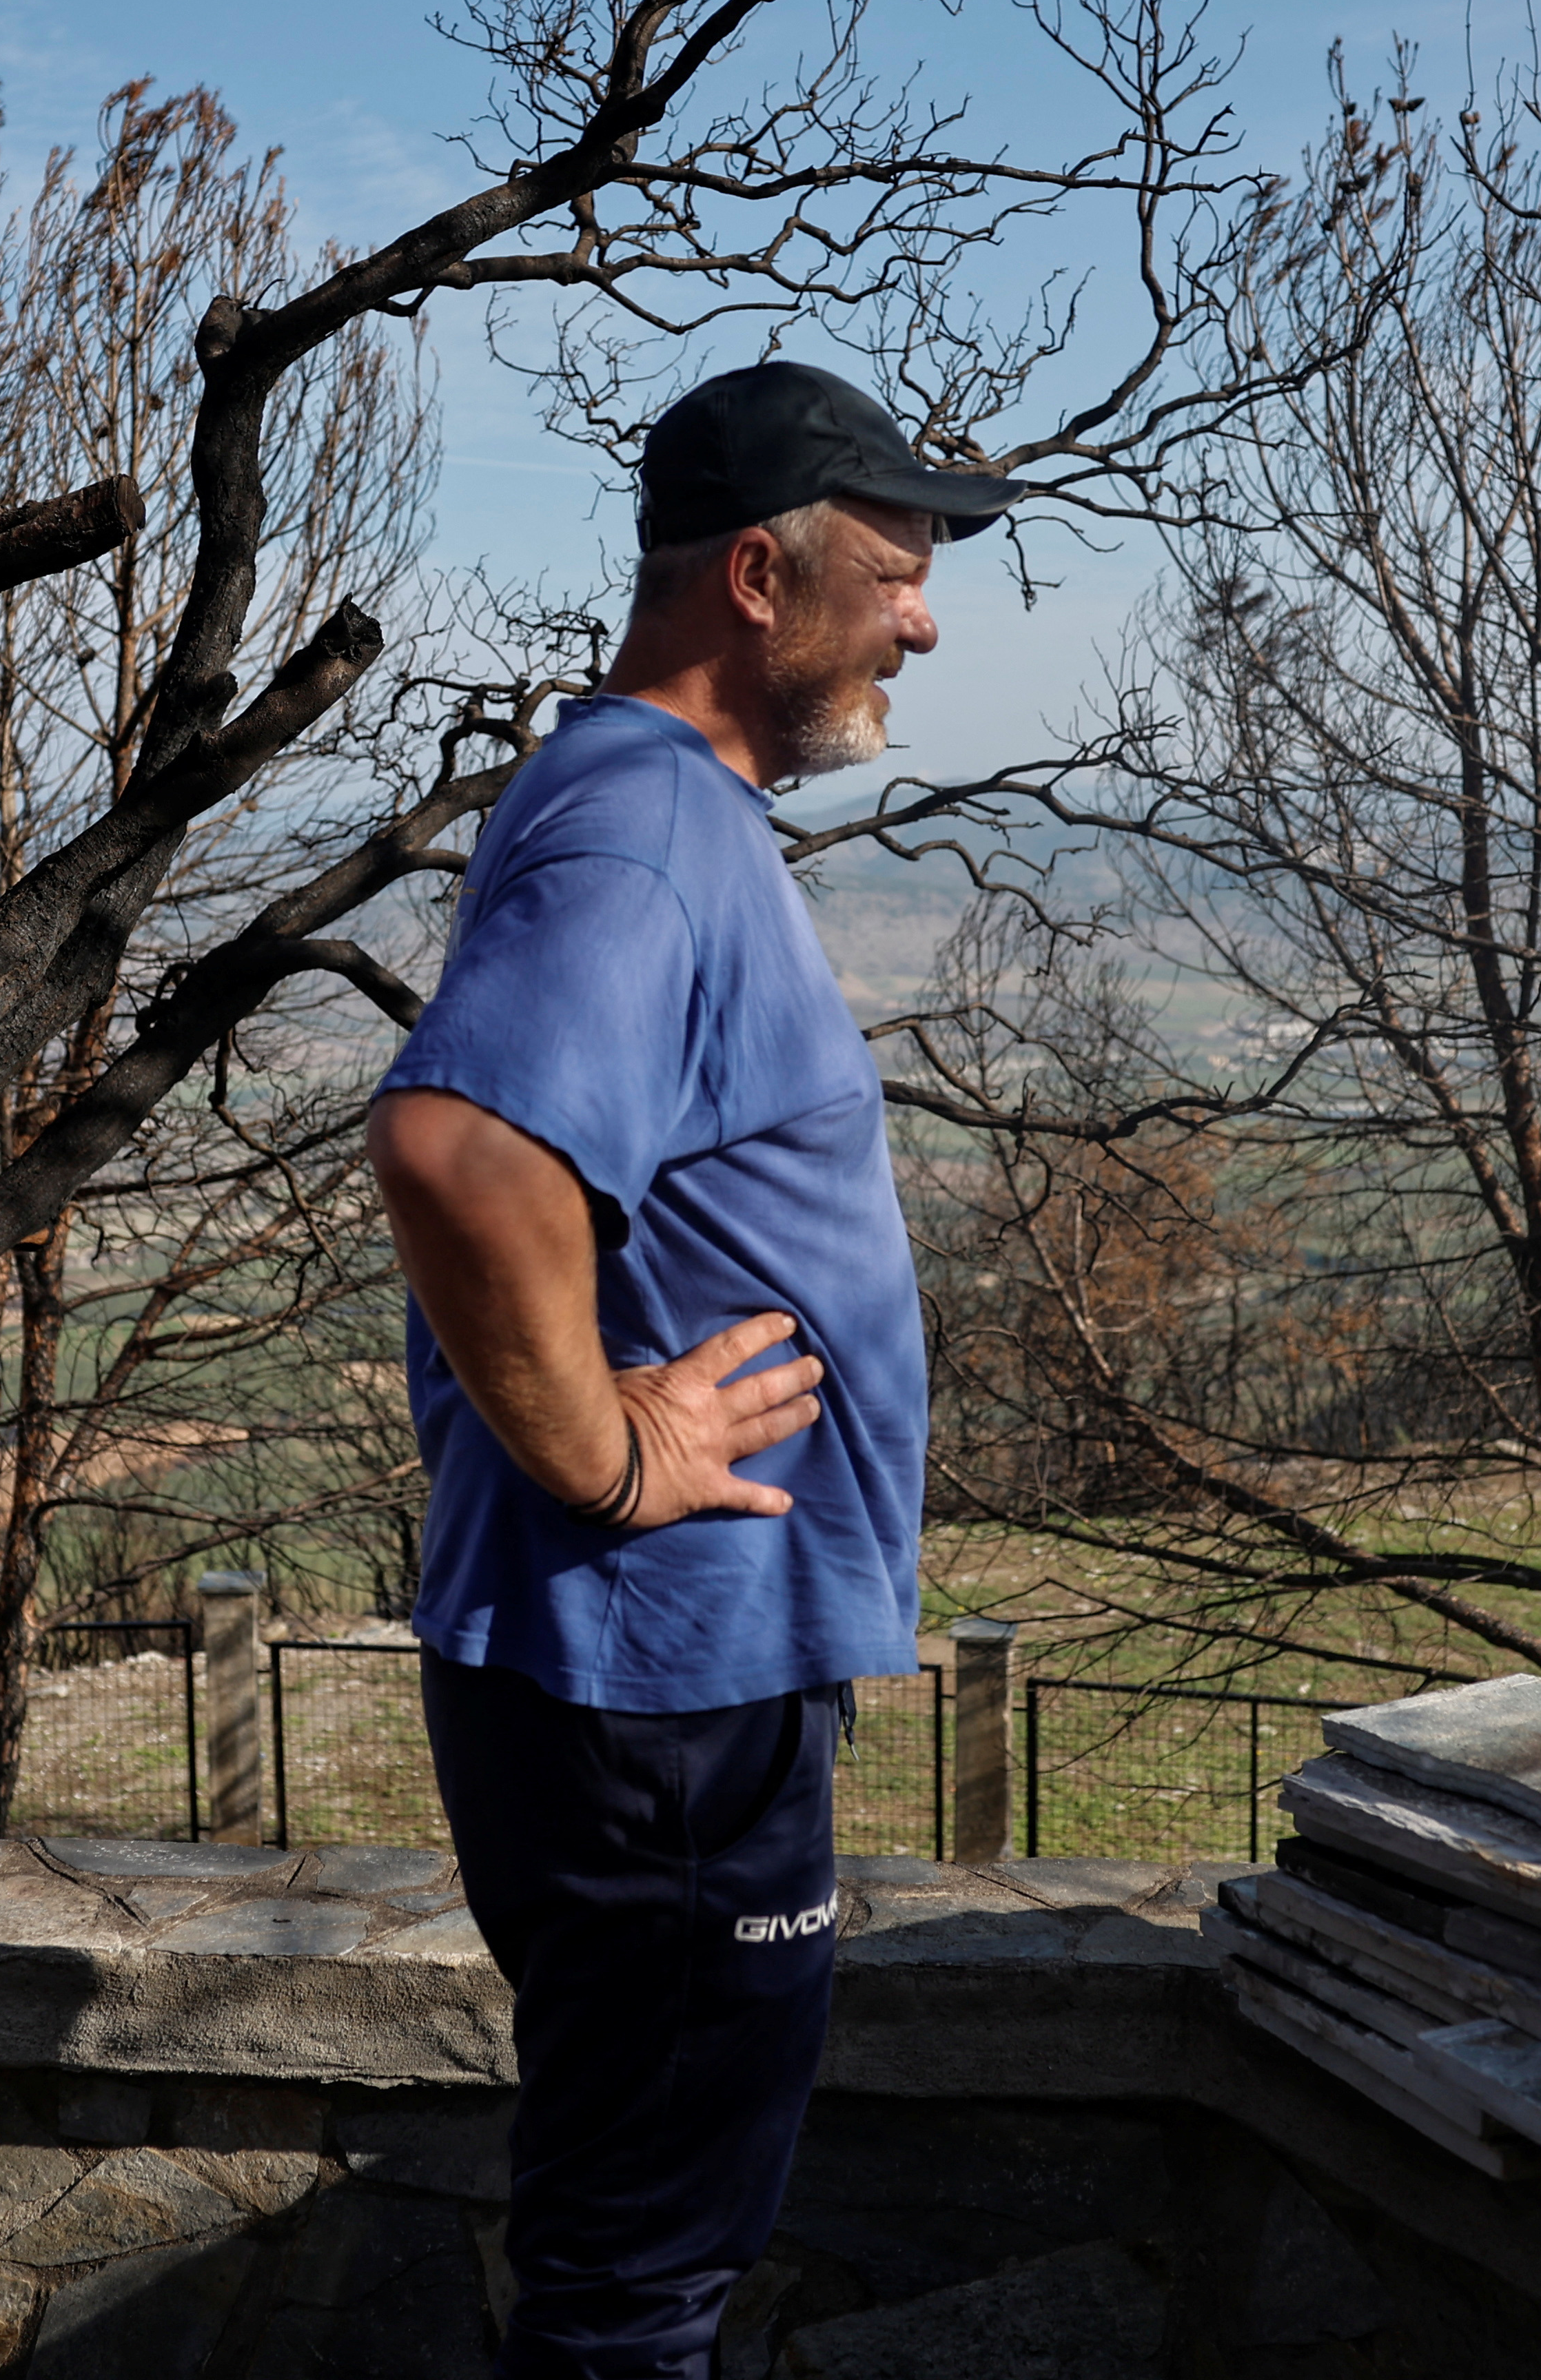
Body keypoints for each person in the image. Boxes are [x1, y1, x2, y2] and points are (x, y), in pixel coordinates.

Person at [366, 362, 1023, 2380]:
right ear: (761, 573)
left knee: (638, 2239)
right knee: (640, 2281)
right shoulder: (646, 831)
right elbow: (458, 1153)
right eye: (899, 574)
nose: (925, 620)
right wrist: (612, 1461)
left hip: (666, 1690)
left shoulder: (648, 809)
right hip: (659, 1702)